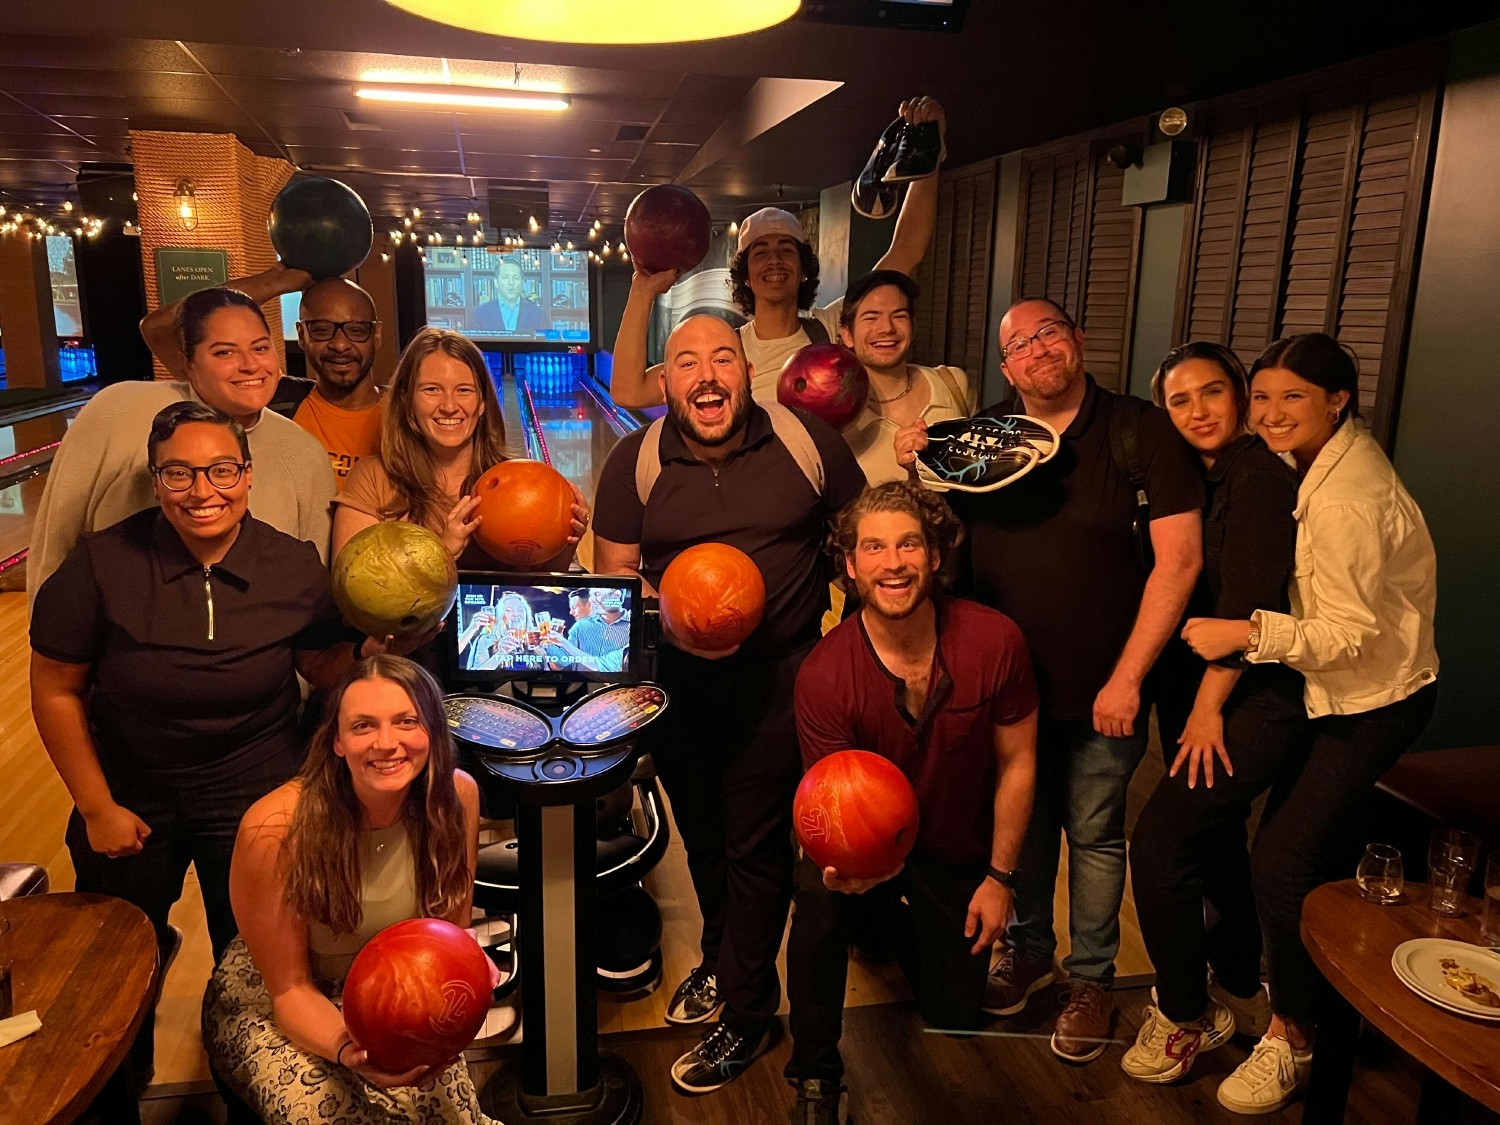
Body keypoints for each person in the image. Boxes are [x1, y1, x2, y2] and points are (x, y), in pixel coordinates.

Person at [28, 402, 423, 1077]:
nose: (202, 491)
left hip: (254, 788)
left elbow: (317, 666)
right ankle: (118, 1096)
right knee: (115, 975)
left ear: (247, 475)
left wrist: (364, 647)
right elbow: (56, 689)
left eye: (219, 470)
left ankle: (248, 1095)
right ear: (155, 480)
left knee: (257, 967)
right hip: (131, 788)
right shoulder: (102, 566)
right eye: (178, 473)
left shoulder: (291, 564)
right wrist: (96, 806)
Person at [894, 297, 1204, 1061]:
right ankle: (1029, 951)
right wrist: (918, 467)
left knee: (1095, 834)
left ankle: (1091, 977)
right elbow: (939, 543)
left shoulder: (1141, 430)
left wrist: (1130, 676)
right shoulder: (984, 435)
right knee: (1023, 830)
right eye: (1019, 346)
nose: (1037, 352)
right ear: (1005, 368)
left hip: (1107, 684)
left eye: (1049, 334)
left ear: (1078, 339)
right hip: (1003, 688)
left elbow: (1181, 561)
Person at [592, 315, 866, 1094]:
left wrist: (853, 643)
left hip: (781, 677)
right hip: (678, 678)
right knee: (704, 837)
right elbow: (614, 572)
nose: (706, 376)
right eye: (687, 362)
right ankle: (722, 958)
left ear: (746, 370)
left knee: (754, 844)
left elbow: (858, 536)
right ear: (666, 379)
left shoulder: (807, 442)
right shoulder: (635, 459)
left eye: (721, 358)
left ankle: (748, 1015)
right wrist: (676, 613)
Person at [1178, 333, 1438, 1114]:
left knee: (1280, 861)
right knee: (1307, 855)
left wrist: (1246, 634)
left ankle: (1294, 1031)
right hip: (1337, 689)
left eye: (1293, 397)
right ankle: (1343, 1006)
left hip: (1373, 697)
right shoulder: (1313, 466)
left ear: (1337, 401)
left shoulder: (1348, 496)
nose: (1270, 412)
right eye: (1261, 397)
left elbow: (1351, 634)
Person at [786, 481, 1038, 1123]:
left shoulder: (996, 640)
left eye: (907, 544)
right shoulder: (824, 673)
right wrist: (858, 872)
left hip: (954, 853)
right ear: (849, 565)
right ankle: (815, 1075)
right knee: (817, 895)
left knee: (955, 1013)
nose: (892, 562)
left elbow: (1018, 763)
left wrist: (1000, 879)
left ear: (934, 556)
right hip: (864, 850)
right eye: (873, 547)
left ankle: (892, 926)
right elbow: (833, 806)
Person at [1118, 343, 1304, 1088]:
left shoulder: (1257, 475)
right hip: (1206, 690)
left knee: (1160, 845)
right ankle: (1234, 978)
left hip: (1250, 699)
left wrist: (1203, 712)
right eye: (1180, 400)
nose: (1198, 411)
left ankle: (1184, 1010)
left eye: (1213, 393)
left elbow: (1250, 609)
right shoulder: (1197, 475)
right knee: (1215, 832)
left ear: (1241, 397)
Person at [204, 655, 498, 1123]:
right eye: (364, 726)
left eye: (407, 721)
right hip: (285, 999)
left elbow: (448, 936)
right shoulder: (275, 827)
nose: (387, 743)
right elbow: (289, 990)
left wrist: (468, 963)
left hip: (397, 994)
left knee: (448, 1116)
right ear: (337, 742)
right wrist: (354, 1051)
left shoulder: (456, 796)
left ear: (432, 733)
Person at [606, 97, 946, 410]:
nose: (774, 261)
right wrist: (642, 291)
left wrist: (927, 158)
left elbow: (906, 251)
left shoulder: (834, 329)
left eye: (786, 250)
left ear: (802, 270)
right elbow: (628, 392)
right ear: (746, 277)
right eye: (760, 253)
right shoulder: (726, 352)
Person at [29, 286, 336, 613]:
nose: (250, 365)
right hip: (119, 651)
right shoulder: (116, 413)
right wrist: (51, 646)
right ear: (187, 363)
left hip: (249, 655)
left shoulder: (302, 453)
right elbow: (55, 547)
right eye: (224, 352)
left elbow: (311, 593)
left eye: (260, 348)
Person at [332, 326, 587, 571]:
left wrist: (564, 543)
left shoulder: (521, 484)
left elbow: (541, 591)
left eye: (464, 390)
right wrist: (440, 553)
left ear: (483, 402)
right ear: (406, 399)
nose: (449, 406)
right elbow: (351, 584)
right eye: (431, 390)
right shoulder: (372, 480)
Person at [837, 270, 972, 483]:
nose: (887, 328)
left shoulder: (953, 384)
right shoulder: (837, 413)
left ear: (913, 326)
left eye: (899, 316)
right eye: (871, 318)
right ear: (847, 334)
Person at [288, 278, 387, 485]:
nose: (340, 345)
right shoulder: (278, 403)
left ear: (376, 335)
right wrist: (276, 282)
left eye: (356, 330)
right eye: (322, 330)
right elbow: (206, 317)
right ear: (301, 335)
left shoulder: (408, 412)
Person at [471, 256, 546, 336]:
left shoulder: (538, 314)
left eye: (516, 278)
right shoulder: (479, 314)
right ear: (496, 282)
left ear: (522, 283)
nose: (511, 283)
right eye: (505, 277)